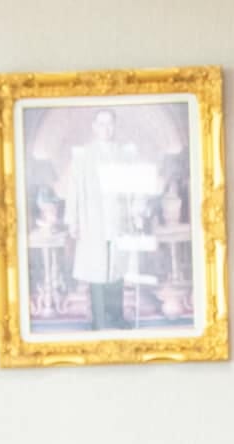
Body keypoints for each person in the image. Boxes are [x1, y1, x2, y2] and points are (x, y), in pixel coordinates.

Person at [62, 108, 133, 330]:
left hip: (118, 220)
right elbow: (73, 190)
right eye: (101, 124)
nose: (106, 128)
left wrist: (134, 214)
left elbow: (131, 188)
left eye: (110, 123)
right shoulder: (83, 156)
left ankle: (117, 316)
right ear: (94, 127)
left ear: (115, 126)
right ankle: (99, 321)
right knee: (97, 270)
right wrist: (72, 221)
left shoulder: (123, 155)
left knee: (116, 270)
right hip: (93, 220)